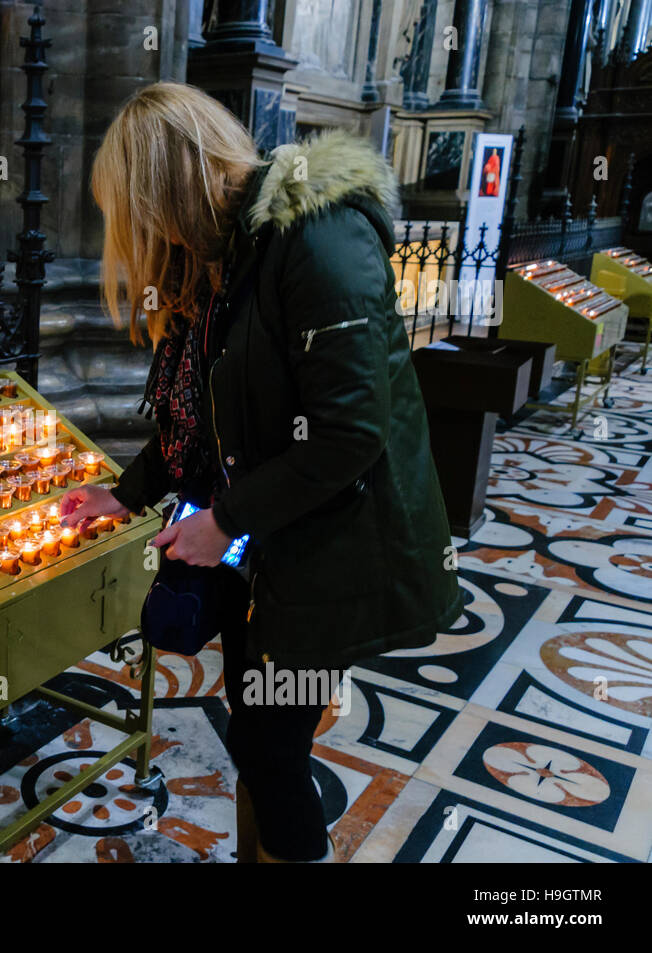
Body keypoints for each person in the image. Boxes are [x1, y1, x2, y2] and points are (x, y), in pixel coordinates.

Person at [60, 83, 462, 863]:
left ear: (171, 189)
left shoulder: (317, 239)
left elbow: (348, 434)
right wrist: (127, 491)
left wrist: (223, 523)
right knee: (258, 730)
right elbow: (210, 420)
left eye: (139, 212)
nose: (141, 238)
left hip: (332, 547)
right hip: (276, 544)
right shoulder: (229, 256)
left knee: (273, 748)